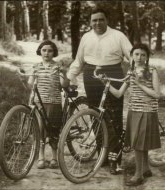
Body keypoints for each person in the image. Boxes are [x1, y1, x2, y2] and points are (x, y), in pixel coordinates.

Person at [66, 7, 132, 174]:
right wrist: (68, 77)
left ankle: (115, 160)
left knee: (114, 115)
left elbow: (132, 56)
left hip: (113, 74)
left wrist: (137, 72)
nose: (97, 23)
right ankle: (103, 154)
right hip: (91, 75)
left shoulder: (118, 36)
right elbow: (79, 61)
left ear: (107, 20)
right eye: (94, 20)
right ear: (90, 22)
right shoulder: (86, 37)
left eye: (101, 19)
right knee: (96, 115)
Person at [106, 43, 161, 186]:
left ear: (147, 57)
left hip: (147, 110)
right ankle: (146, 168)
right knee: (140, 141)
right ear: (131, 56)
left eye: (143, 55)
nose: (139, 57)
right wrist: (106, 84)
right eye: (136, 54)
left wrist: (139, 83)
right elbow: (119, 94)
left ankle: (138, 175)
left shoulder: (152, 70)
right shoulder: (131, 71)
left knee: (138, 143)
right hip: (134, 110)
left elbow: (156, 94)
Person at [28, 40, 69, 169]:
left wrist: (63, 74)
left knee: (53, 130)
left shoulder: (57, 66)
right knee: (40, 130)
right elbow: (30, 83)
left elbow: (64, 85)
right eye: (44, 50)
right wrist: (32, 76)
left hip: (54, 102)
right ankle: (41, 157)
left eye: (50, 50)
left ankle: (54, 157)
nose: (47, 53)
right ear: (40, 51)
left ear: (54, 53)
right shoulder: (36, 66)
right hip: (39, 103)